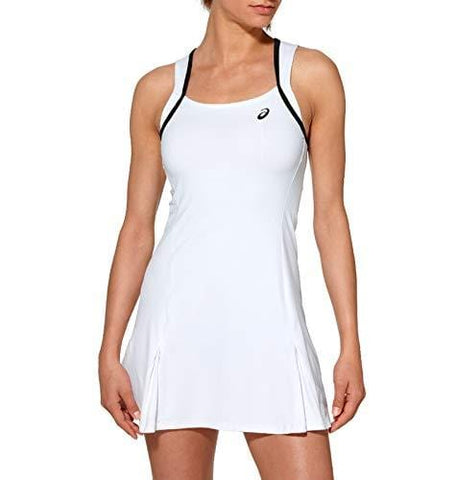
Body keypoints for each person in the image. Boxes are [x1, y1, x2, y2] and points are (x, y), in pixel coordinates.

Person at [98, 0, 365, 478]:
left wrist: (350, 344)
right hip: (175, 327)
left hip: (272, 325)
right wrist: (108, 349)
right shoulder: (159, 90)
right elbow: (137, 226)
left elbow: (330, 218)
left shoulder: (309, 75)